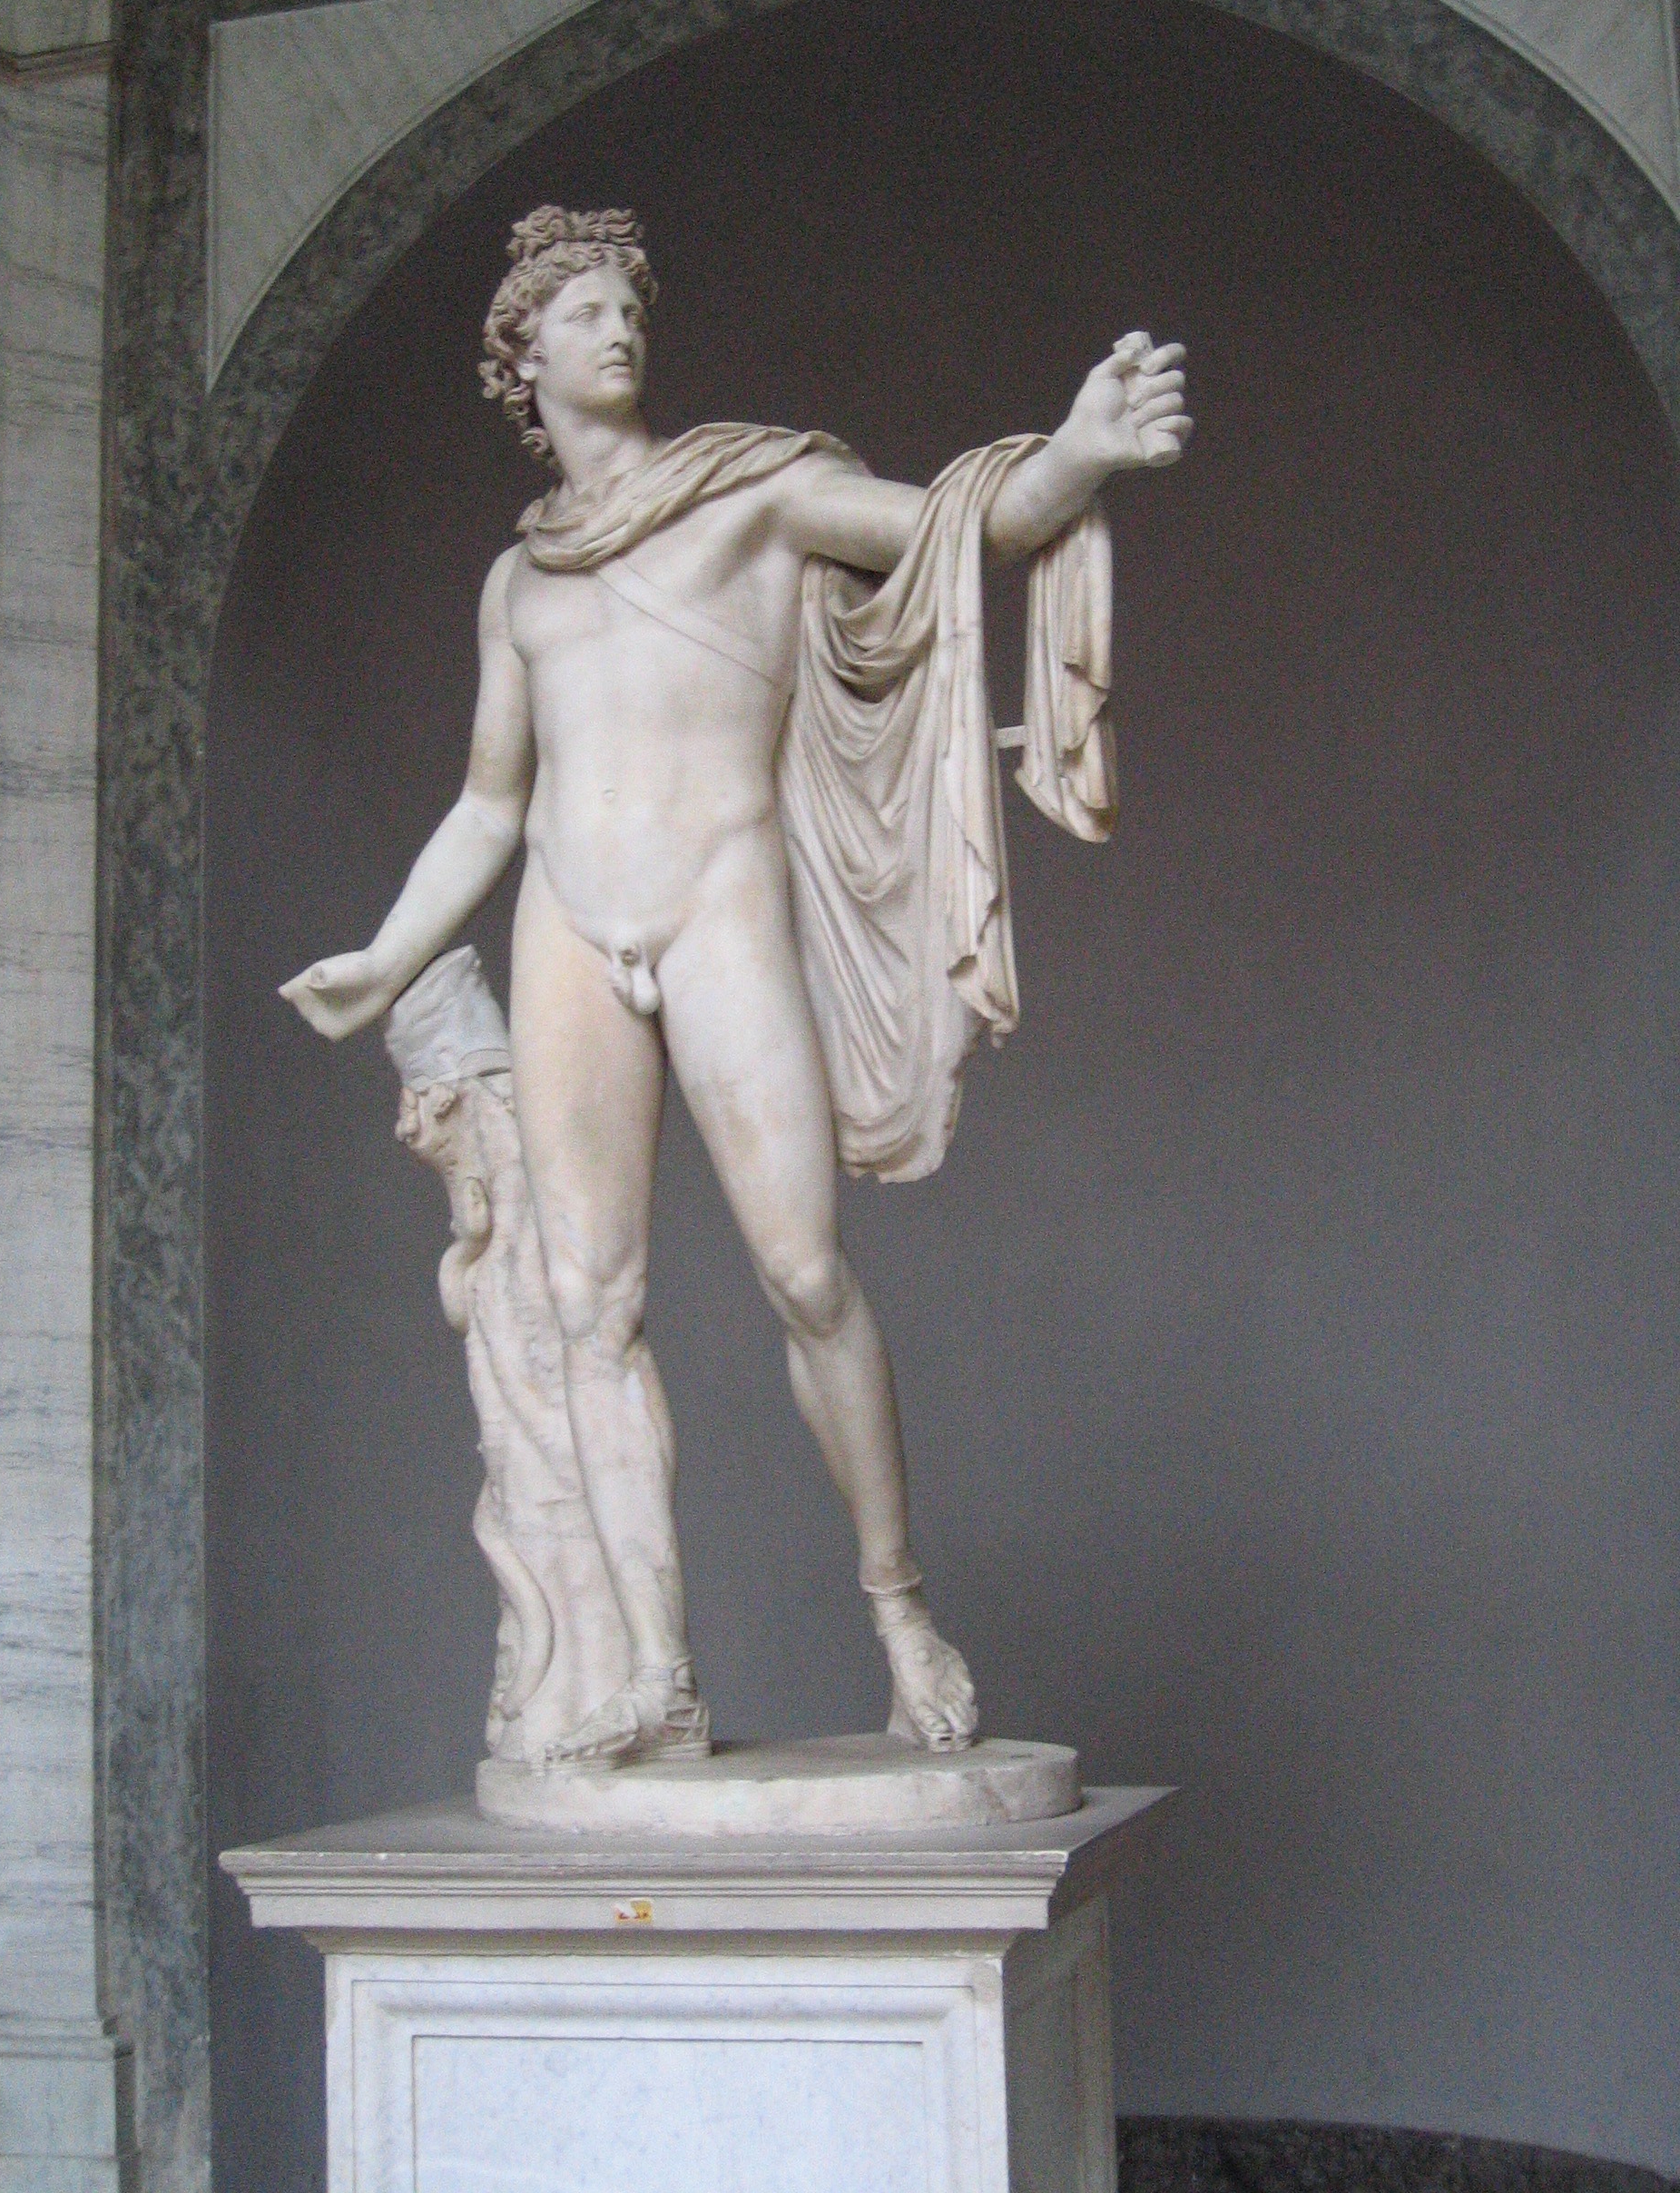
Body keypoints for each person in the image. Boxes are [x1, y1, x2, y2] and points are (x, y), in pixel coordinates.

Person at [282, 207, 1191, 1767]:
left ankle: (900, 1613)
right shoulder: (519, 585)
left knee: (806, 1274)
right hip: (568, 917)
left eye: (629, 305)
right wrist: (384, 953)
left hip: (719, 897)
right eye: (583, 310)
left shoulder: (754, 493)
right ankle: (657, 1675)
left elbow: (963, 528)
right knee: (587, 1305)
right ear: (523, 355)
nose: (618, 328)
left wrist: (1079, 455)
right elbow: (492, 803)